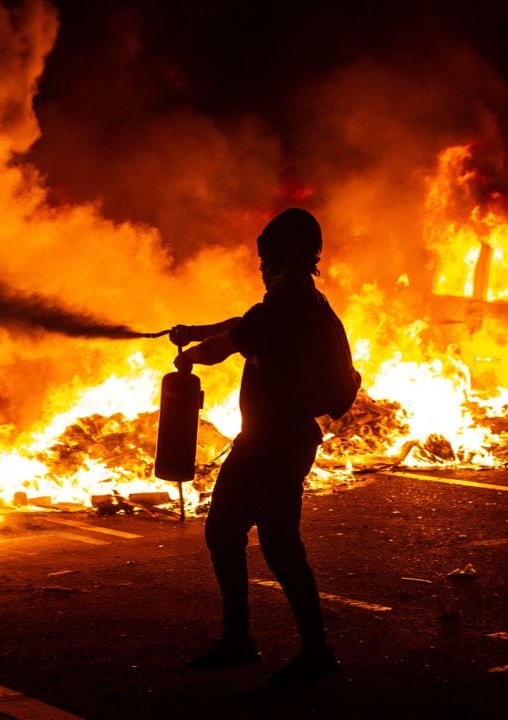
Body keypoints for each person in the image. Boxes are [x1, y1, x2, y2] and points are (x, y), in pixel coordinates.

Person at [169, 207, 360, 685]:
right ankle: (284, 645)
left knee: (251, 538)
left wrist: (194, 353)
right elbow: (244, 323)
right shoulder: (303, 301)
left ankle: (272, 645)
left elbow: (232, 341)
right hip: (280, 440)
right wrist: (196, 331)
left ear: (285, 258)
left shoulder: (286, 305)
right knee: (262, 539)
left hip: (272, 443)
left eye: (266, 258)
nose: (261, 266)